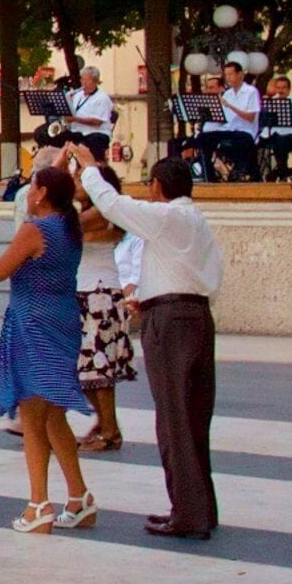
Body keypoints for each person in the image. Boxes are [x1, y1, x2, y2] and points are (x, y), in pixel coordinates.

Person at [77, 157, 225, 537]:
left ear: (158, 186)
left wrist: (89, 168)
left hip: (171, 321)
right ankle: (199, 508)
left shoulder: (165, 218)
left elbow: (112, 205)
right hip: (196, 314)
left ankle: (188, 515)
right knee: (194, 417)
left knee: (174, 418)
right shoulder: (197, 221)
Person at [0, 165, 95, 533]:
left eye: (32, 187)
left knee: (33, 416)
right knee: (53, 414)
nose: (27, 193)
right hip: (63, 318)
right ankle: (78, 497)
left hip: (33, 322)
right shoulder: (70, 228)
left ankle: (38, 505)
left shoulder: (35, 229)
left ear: (41, 194)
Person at [71, 172, 139, 453]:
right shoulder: (90, 213)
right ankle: (104, 424)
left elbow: (68, 227)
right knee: (85, 368)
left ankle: (110, 430)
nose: (74, 185)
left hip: (100, 293)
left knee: (98, 367)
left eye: (78, 181)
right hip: (85, 290)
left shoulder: (102, 212)